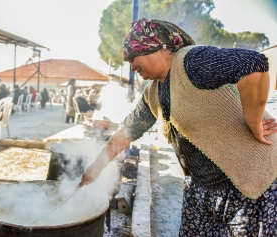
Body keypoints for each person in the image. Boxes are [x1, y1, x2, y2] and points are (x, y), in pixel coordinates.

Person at [78, 18, 277, 236]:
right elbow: (126, 132)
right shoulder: (153, 93)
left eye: (133, 57)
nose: (132, 67)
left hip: (249, 183)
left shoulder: (192, 62)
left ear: (156, 46)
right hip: (202, 187)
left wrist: (253, 121)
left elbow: (253, 64)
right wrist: (95, 168)